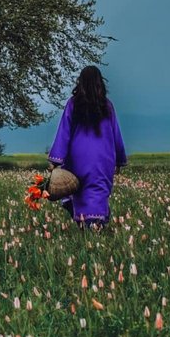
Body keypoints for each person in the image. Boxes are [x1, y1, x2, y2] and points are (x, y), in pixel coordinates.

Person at [47, 65, 127, 226]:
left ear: (80, 82)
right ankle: (97, 223)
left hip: (79, 158)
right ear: (100, 83)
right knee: (98, 189)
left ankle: (84, 221)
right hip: (103, 157)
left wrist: (56, 159)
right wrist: (120, 160)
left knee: (80, 190)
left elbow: (64, 131)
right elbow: (116, 133)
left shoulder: (73, 104)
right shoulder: (107, 106)